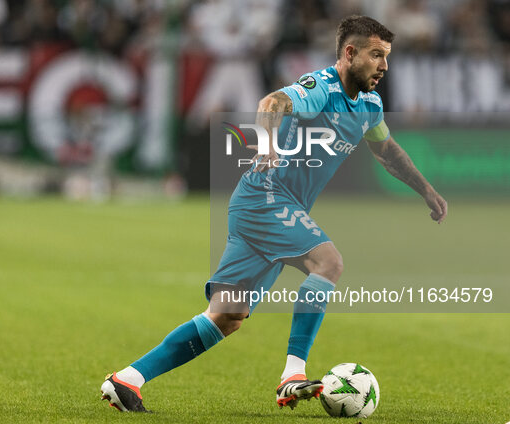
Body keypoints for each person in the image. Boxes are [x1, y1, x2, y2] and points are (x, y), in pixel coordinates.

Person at [100, 15, 448, 412]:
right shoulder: (321, 88)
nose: (384, 65)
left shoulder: (369, 105)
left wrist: (426, 190)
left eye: (386, 56)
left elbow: (386, 150)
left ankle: (128, 380)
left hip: (263, 208)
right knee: (328, 263)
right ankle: (292, 375)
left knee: (226, 317)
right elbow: (272, 102)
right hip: (266, 196)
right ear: (349, 53)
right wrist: (266, 144)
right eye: (376, 55)